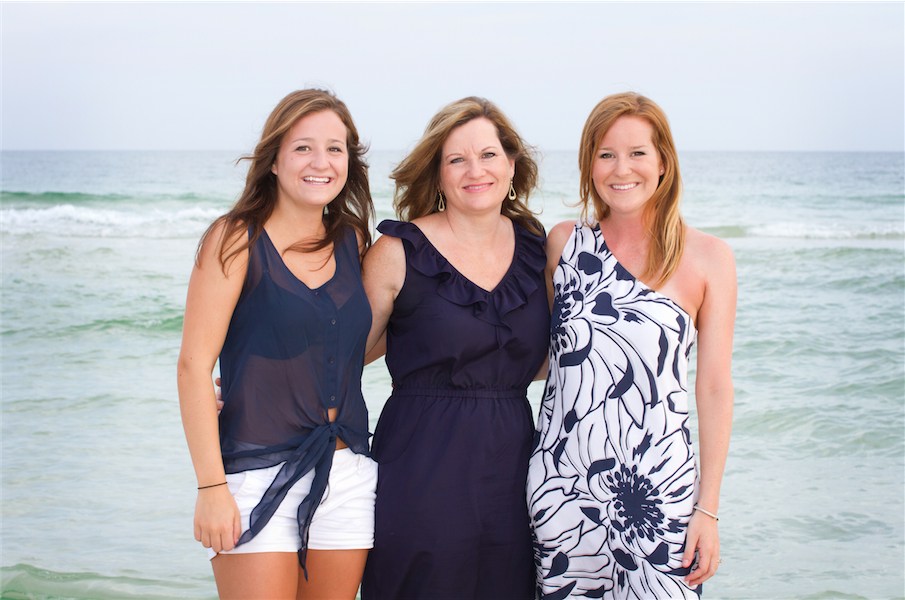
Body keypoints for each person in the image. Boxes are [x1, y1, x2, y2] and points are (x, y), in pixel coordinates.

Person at [527, 92, 736, 598]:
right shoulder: (564, 244)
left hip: (660, 493)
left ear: (663, 161)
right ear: (589, 165)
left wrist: (707, 510)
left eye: (638, 152)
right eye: (606, 154)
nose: (622, 168)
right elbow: (541, 360)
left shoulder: (709, 258)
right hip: (562, 489)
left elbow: (712, 388)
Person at [176, 89, 378, 600]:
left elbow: (349, 346)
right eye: (303, 147)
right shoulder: (235, 239)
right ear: (274, 159)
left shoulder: (353, 241)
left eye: (335, 149)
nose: (321, 163)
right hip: (253, 475)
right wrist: (210, 488)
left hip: (347, 472)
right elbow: (193, 367)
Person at [359, 97, 550, 599]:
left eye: (488, 155)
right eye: (456, 159)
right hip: (421, 464)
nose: (475, 171)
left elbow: (553, 358)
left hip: (515, 470)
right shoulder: (397, 251)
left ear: (511, 164)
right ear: (438, 173)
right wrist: (256, 385)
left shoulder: (538, 247)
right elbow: (350, 352)